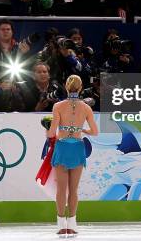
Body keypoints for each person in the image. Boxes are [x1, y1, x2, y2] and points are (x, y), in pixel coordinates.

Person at [47, 75, 98, 236]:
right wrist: (81, 130)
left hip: (62, 147)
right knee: (74, 189)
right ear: (81, 87)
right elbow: (95, 132)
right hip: (77, 148)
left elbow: (51, 134)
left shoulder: (58, 106)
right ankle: (73, 223)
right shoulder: (86, 107)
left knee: (61, 189)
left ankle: (61, 223)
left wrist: (46, 127)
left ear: (66, 87)